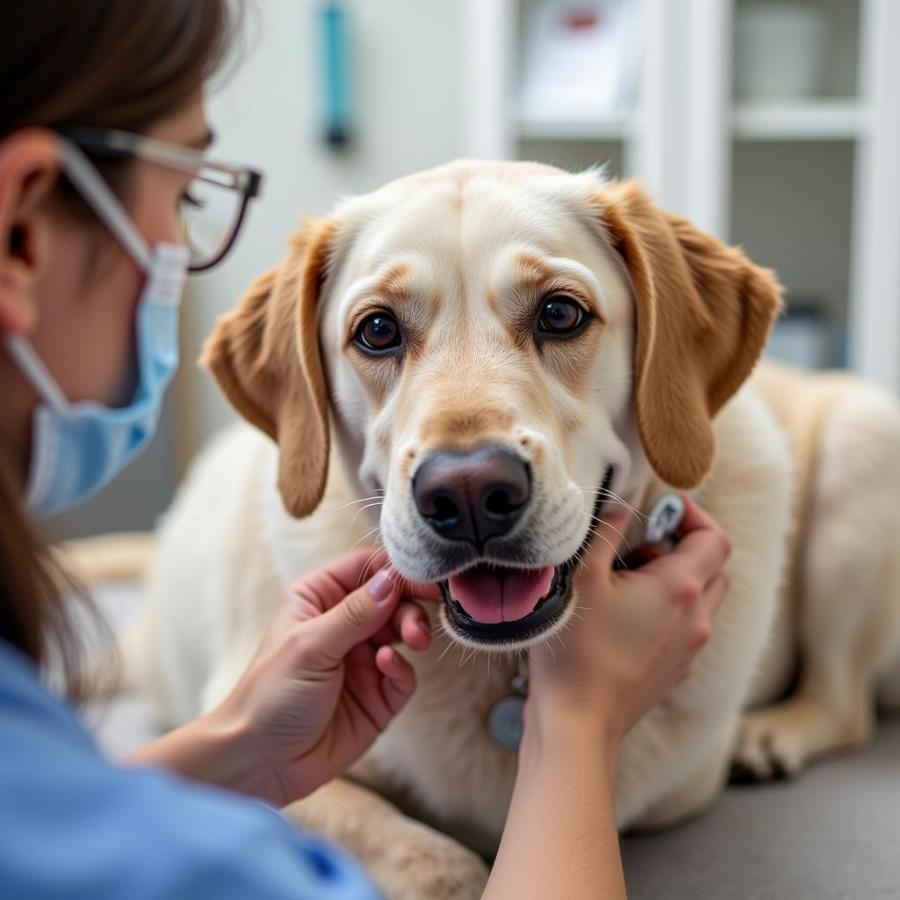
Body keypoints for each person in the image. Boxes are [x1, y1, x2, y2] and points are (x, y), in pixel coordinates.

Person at [0, 2, 731, 897]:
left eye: (558, 316)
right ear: (20, 231)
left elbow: (62, 815)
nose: (467, 477)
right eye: (380, 332)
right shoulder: (212, 871)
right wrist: (576, 723)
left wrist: (236, 748)